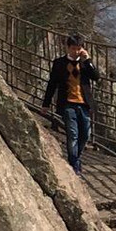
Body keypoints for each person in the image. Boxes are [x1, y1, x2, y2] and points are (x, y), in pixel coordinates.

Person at [43, 34, 99, 175]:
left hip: (84, 103)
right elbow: (52, 84)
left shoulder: (85, 64)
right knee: (73, 134)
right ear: (68, 48)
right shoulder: (59, 63)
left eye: (78, 48)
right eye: (73, 48)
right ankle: (74, 164)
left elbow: (96, 76)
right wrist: (46, 103)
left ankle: (76, 157)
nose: (76, 51)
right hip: (68, 103)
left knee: (85, 134)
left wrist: (88, 60)